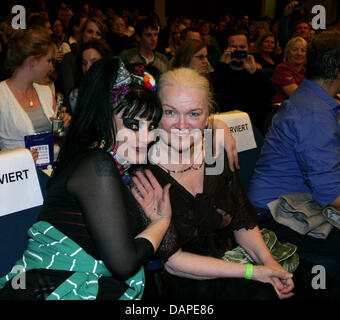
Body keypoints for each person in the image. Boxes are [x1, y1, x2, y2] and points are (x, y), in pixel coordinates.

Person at [141, 67, 330, 300]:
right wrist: (254, 272)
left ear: (208, 115)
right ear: (155, 112)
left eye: (193, 113)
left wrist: (271, 265)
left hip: (230, 257)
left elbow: (243, 223)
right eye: (170, 112)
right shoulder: (142, 169)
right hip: (187, 279)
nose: (182, 125)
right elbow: (173, 262)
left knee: (314, 282)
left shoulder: (216, 151)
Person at [0, 57, 172, 300]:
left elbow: (164, 250)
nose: (146, 137)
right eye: (133, 125)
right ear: (104, 117)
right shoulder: (96, 164)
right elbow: (124, 263)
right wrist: (161, 222)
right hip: (53, 289)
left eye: (151, 125)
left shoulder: (114, 165)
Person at [247, 30, 340, 286]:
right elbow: (330, 195)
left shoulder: (311, 97)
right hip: (276, 216)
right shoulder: (314, 113)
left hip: (292, 202)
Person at [0, 28, 71, 158]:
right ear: (32, 61)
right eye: (48, 60)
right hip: (19, 175)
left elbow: (59, 137)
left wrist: (65, 126)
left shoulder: (45, 91)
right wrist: (17, 158)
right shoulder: (2, 95)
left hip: (54, 169)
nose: (51, 66)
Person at [211, 31, 274, 133]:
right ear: (226, 49)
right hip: (226, 126)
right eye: (234, 47)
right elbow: (214, 96)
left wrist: (254, 72)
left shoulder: (254, 72)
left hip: (253, 126)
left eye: (242, 47)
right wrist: (222, 66)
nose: (238, 51)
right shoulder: (220, 71)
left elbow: (270, 94)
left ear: (248, 49)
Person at [64, 39, 112, 113]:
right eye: (84, 63)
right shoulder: (74, 95)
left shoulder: (116, 91)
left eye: (94, 62)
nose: (88, 67)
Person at [270, 36, 307, 106]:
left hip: (303, 108)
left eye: (303, 50)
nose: (299, 53)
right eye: (295, 50)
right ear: (287, 52)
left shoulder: (306, 71)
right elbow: (297, 96)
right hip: (283, 110)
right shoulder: (282, 69)